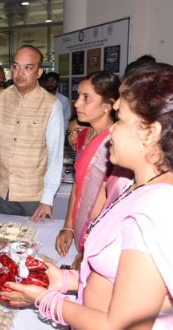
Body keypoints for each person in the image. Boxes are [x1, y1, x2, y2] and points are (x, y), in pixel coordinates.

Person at [1, 70, 173, 328]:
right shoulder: (150, 187)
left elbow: (121, 325)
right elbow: (122, 281)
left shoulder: (160, 211)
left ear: (150, 133)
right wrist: (64, 280)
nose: (112, 131)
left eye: (119, 119)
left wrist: (45, 299)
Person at [0, 45, 64, 221]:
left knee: (32, 244)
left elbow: (55, 155)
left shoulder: (51, 105)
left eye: (28, 67)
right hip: (2, 192)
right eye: (15, 66)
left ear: (39, 72)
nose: (20, 73)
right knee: (5, 242)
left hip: (34, 196)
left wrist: (47, 199)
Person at [55, 71, 120, 260]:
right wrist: (68, 227)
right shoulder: (83, 136)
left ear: (108, 105)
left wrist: (91, 249)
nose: (77, 104)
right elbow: (79, 185)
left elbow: (111, 200)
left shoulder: (115, 142)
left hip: (99, 237)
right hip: (79, 228)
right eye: (78, 96)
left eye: (86, 98)